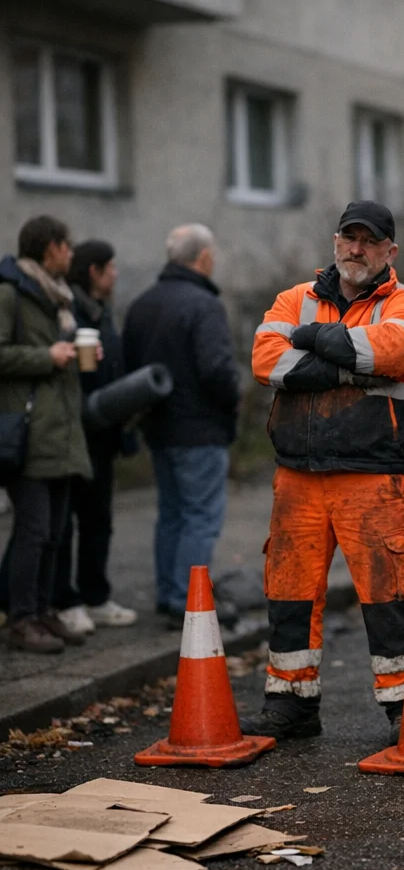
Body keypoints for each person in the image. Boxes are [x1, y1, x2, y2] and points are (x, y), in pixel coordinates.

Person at [241, 201, 404, 743]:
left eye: (370, 241)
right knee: (289, 592)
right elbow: (265, 361)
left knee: (388, 596)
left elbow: (392, 353)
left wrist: (310, 342)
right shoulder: (294, 298)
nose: (357, 249)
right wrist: (350, 368)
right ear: (335, 242)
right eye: (350, 238)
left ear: (390, 251)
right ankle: (291, 703)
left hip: (372, 472)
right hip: (297, 474)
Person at [122, 224, 240, 626]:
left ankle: (168, 592)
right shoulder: (204, 306)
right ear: (203, 258)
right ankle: (187, 602)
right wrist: (232, 403)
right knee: (200, 518)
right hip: (200, 430)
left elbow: (129, 370)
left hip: (159, 429)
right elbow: (217, 370)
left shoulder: (141, 304)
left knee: (171, 515)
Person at [0, 216, 92, 653]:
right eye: (66, 245)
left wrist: (74, 354)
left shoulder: (59, 297)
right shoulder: (11, 294)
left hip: (60, 431)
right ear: (49, 248)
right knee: (34, 530)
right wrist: (46, 356)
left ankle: (41, 610)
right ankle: (20, 619)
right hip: (27, 432)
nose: (71, 253)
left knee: (55, 532)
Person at [53, 240, 138, 636]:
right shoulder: (69, 311)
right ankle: (65, 601)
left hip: (103, 433)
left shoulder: (100, 311)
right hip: (75, 432)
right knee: (64, 523)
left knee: (97, 519)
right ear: (94, 272)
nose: (116, 275)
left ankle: (94, 596)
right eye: (111, 268)